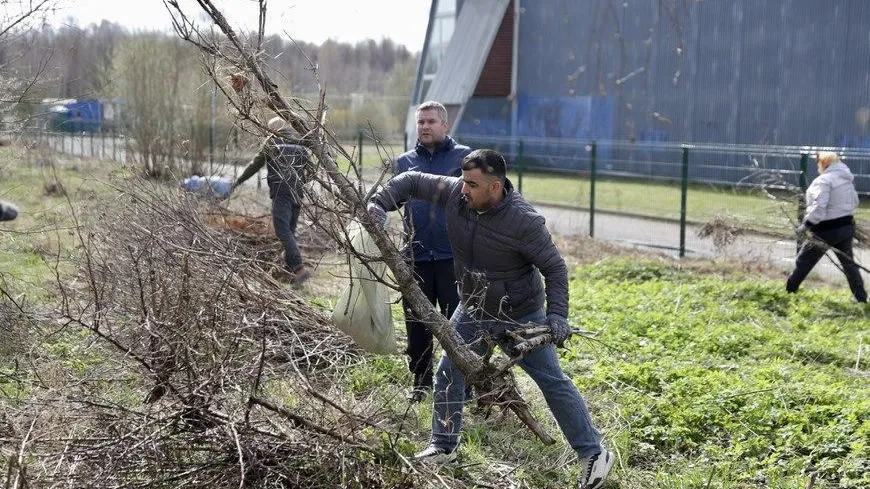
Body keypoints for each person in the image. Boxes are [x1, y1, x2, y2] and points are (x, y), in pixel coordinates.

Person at [367, 149, 614, 489]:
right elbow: (410, 180)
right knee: (449, 373)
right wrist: (380, 203)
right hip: (474, 308)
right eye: (463, 181)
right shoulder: (456, 192)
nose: (463, 189)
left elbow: (555, 269)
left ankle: (593, 453)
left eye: (472, 184)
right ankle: (443, 446)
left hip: (520, 315)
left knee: (552, 382)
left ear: (495, 186)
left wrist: (557, 315)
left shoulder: (524, 221)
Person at [394, 100, 471, 402]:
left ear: (444, 125)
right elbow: (392, 198)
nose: (425, 127)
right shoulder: (404, 162)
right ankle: (421, 381)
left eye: (430, 122)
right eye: (420, 122)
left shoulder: (464, 158)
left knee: (459, 323)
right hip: (415, 257)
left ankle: (463, 381)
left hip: (454, 257)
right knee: (417, 323)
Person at [234, 116, 312, 285]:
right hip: (297, 193)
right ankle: (291, 272)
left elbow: (255, 165)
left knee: (282, 231)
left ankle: (299, 269)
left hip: (281, 193)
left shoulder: (272, 144)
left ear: (273, 130)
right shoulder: (301, 145)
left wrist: (237, 182)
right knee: (290, 231)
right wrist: (299, 182)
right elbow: (311, 170)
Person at [787, 151, 866, 302]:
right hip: (846, 227)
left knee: (804, 261)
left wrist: (806, 225)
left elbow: (819, 207)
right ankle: (861, 298)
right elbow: (855, 202)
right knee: (849, 264)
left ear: (823, 163)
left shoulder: (823, 181)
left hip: (825, 230)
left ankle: (790, 291)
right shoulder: (847, 180)